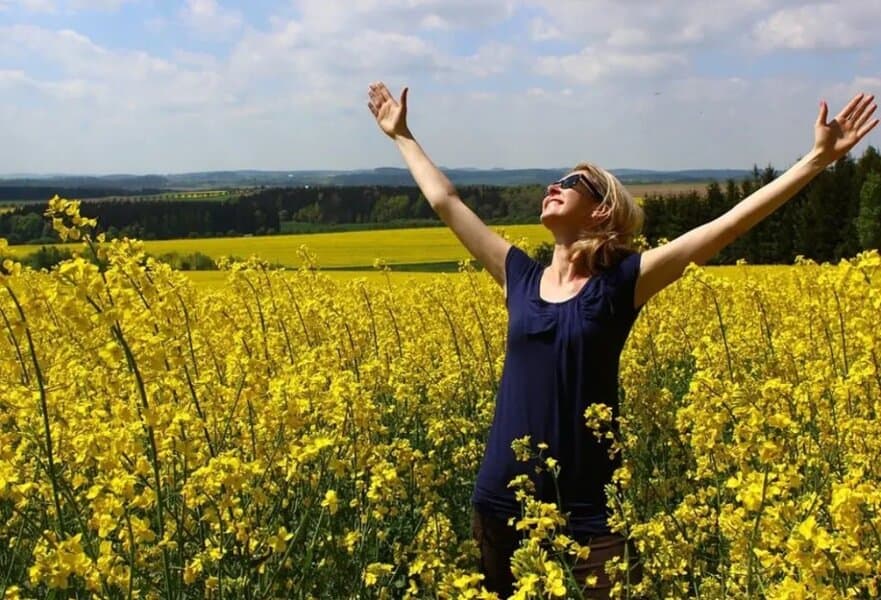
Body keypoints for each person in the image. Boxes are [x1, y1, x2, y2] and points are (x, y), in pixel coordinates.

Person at [367, 80, 878, 598]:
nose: (554, 184)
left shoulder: (620, 285)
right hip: (502, 503)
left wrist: (815, 161)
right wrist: (402, 135)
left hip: (591, 515)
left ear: (603, 210)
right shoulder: (517, 275)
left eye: (573, 181)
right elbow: (445, 200)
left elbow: (724, 227)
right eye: (555, 179)